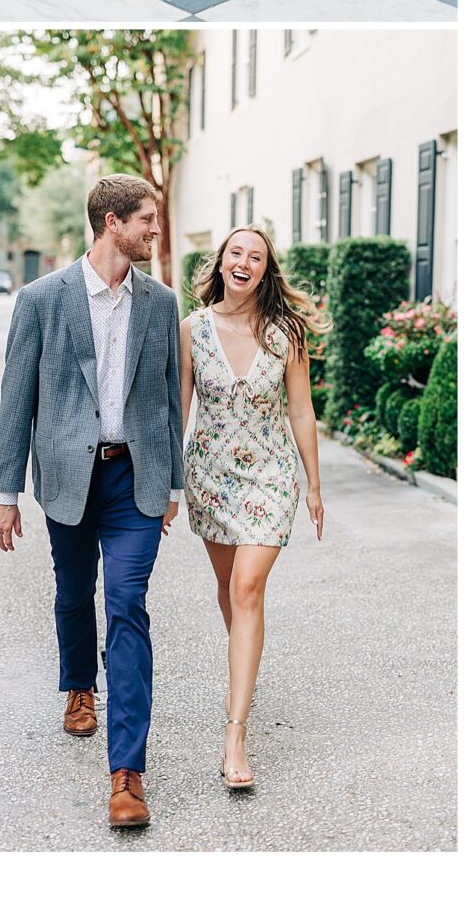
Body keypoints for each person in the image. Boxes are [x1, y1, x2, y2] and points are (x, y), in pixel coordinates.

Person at [0, 175, 183, 832]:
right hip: (70, 475)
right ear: (109, 223)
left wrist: (173, 482)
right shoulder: (42, 299)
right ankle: (78, 684)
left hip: (135, 478)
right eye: (146, 220)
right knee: (73, 592)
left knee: (126, 603)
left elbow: (164, 399)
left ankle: (126, 774)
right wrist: (1, 492)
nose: (155, 230)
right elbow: (17, 398)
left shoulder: (160, 303)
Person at [182, 227, 325, 790]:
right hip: (212, 478)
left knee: (247, 589)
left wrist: (313, 486)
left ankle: (235, 736)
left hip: (270, 477)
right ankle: (243, 666)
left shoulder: (286, 333)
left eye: (256, 257)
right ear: (221, 263)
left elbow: (302, 413)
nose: (244, 263)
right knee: (229, 590)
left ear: (266, 271)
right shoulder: (192, 330)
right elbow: (180, 407)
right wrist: (170, 487)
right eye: (236, 253)